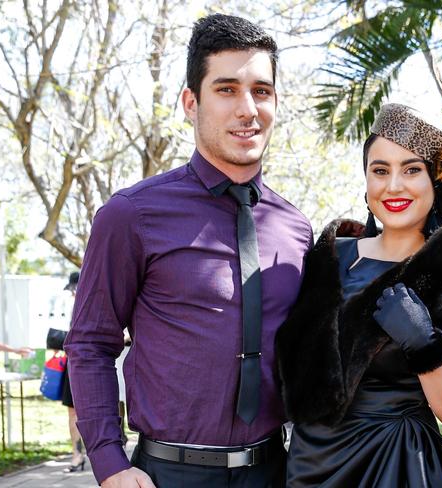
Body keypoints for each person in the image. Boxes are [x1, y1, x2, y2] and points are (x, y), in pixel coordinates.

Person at [64, 14, 312, 488]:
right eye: (226, 89)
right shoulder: (131, 215)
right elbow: (91, 343)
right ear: (190, 102)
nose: (247, 109)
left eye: (261, 91)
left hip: (276, 473)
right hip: (168, 474)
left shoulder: (295, 229)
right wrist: (109, 464)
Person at [276, 103, 442, 487]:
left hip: (396, 465)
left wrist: (424, 346)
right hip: (308, 466)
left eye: (412, 169)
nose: (394, 185)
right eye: (380, 170)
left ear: (436, 180)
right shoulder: (330, 257)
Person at [60, 271, 86, 472]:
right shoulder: (71, 307)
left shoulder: (99, 301)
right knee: (72, 411)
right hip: (73, 361)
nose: (72, 294)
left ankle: (115, 453)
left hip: (99, 363)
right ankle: (77, 455)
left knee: (113, 408)